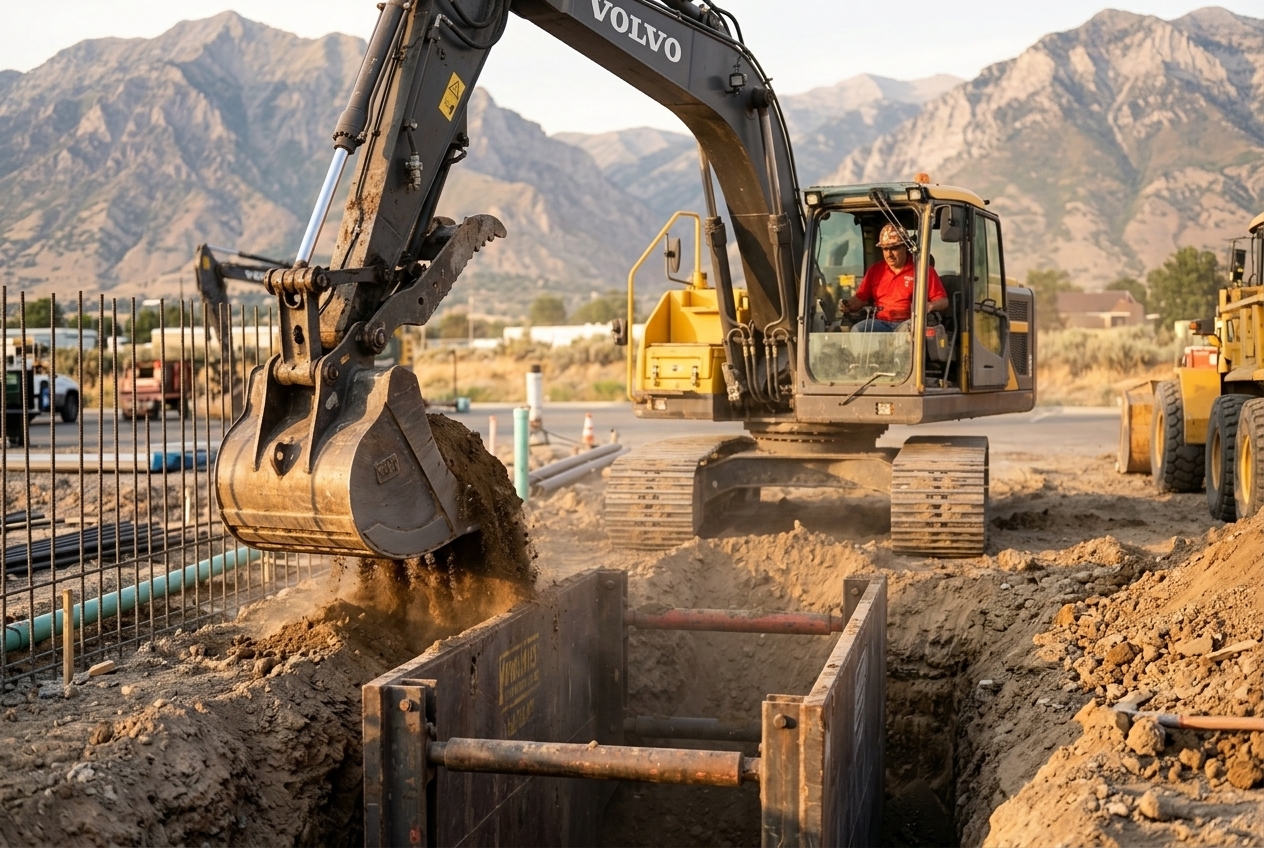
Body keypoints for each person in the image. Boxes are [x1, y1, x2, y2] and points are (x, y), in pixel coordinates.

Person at [845, 224, 948, 332]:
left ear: (905, 247)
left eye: (894, 248)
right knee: (858, 329)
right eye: (885, 249)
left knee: (907, 332)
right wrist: (847, 305)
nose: (889, 254)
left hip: (909, 322)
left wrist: (930, 305)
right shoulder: (874, 270)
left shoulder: (924, 271)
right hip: (880, 322)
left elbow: (943, 301)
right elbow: (860, 298)